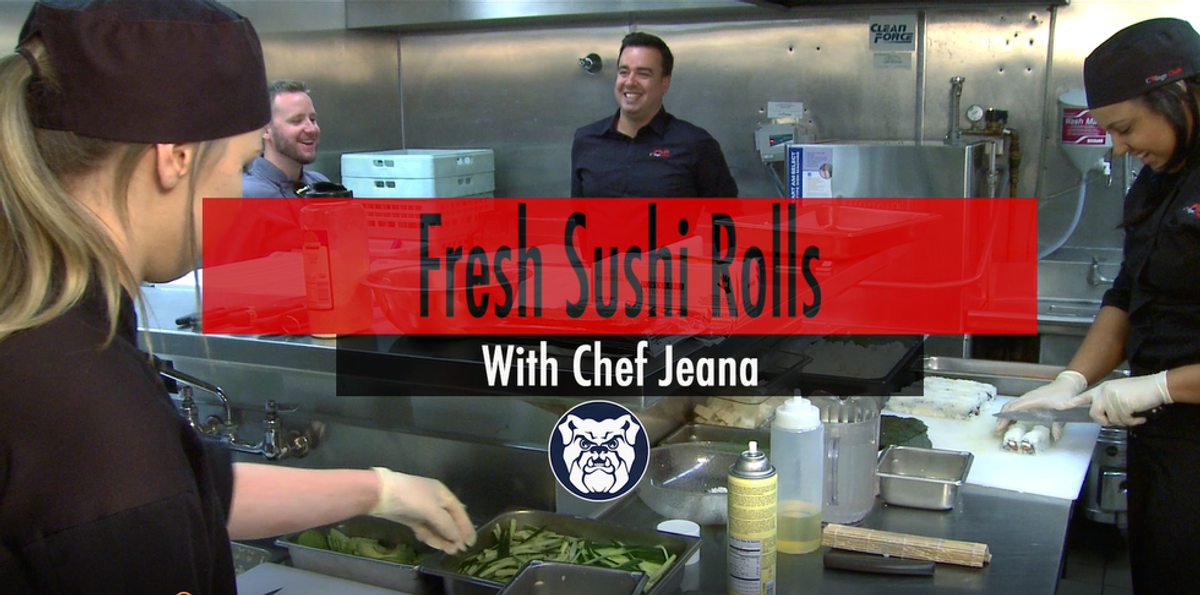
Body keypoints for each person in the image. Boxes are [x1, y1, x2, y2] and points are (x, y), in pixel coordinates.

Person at [0, 2, 473, 593]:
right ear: (174, 158)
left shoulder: (49, 327)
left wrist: (381, 490)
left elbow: (201, 488)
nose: (241, 192)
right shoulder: (91, 404)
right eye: (243, 163)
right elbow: (143, 498)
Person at [997, 18, 1200, 593]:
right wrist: (1072, 379)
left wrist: (1161, 386)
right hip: (1163, 447)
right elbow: (1127, 295)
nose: (1118, 147)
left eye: (1125, 128)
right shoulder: (1162, 175)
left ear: (1178, 94)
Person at [571, 32, 738, 198]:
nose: (630, 82)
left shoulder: (696, 144)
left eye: (643, 74)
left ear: (664, 82)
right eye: (624, 72)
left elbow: (727, 213)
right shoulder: (586, 140)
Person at [243, 79, 330, 198]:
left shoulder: (320, 185)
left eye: (312, 120)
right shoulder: (243, 195)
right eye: (297, 121)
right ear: (266, 130)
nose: (311, 129)